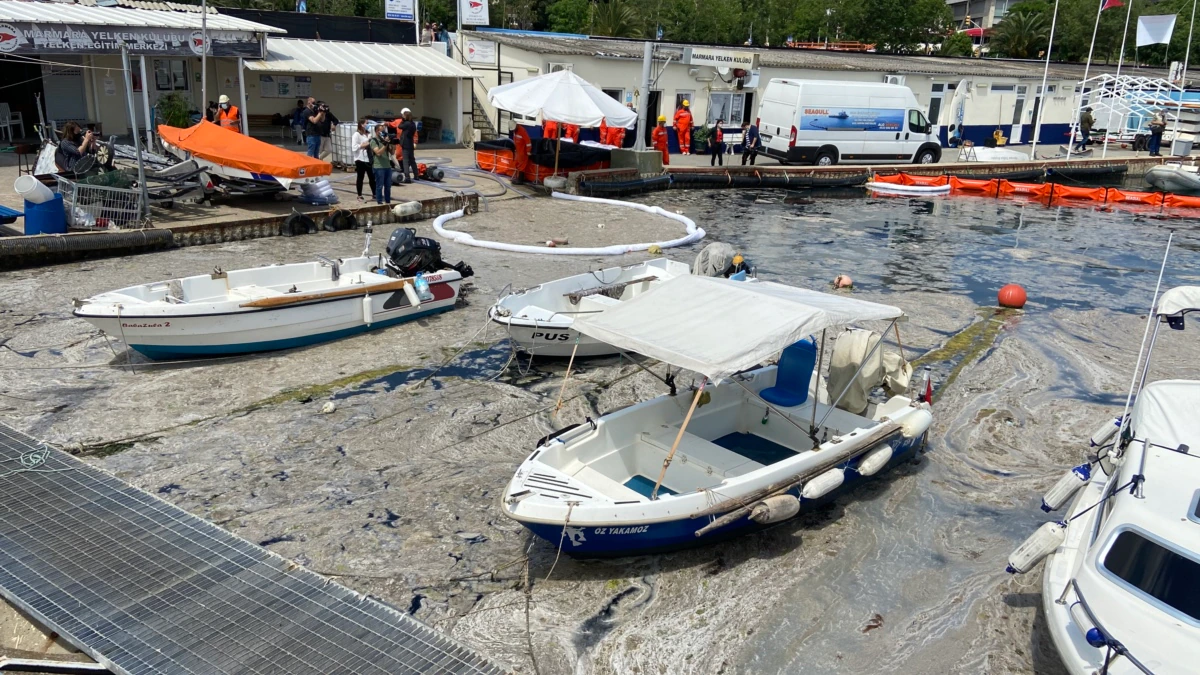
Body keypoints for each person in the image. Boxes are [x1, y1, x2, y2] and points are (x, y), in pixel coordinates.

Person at [352, 119, 376, 201]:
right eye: (367, 123)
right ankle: (359, 195)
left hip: (368, 158)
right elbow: (354, 147)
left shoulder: (368, 134)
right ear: (362, 124)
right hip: (360, 158)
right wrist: (364, 144)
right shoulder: (356, 134)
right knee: (360, 177)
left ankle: (375, 194)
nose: (368, 124)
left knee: (372, 177)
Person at [369, 124, 393, 204]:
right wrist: (385, 144)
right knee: (379, 186)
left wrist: (391, 143)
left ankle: (388, 201)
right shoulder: (373, 141)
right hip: (379, 166)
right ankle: (379, 202)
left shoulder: (384, 140)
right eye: (381, 130)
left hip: (387, 166)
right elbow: (378, 153)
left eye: (384, 130)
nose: (383, 132)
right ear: (377, 131)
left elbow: (392, 152)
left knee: (388, 186)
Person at [396, 108, 418, 183]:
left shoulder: (406, 123)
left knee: (405, 161)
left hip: (405, 144)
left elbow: (399, 126)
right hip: (410, 143)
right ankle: (416, 175)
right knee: (412, 161)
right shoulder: (413, 124)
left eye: (403, 116)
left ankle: (407, 177)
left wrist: (403, 120)